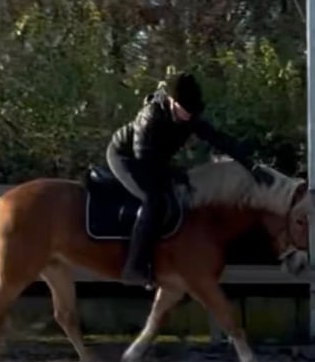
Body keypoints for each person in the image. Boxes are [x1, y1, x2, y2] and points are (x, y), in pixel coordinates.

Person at [106, 72, 275, 289]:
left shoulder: (190, 115)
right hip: (127, 158)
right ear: (172, 101)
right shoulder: (150, 116)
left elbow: (219, 140)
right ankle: (134, 267)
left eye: (192, 112)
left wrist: (251, 166)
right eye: (184, 110)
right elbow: (144, 158)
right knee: (155, 200)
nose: (188, 116)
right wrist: (171, 172)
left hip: (155, 160)